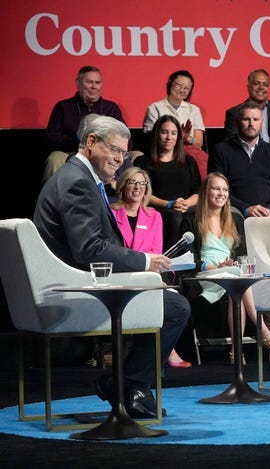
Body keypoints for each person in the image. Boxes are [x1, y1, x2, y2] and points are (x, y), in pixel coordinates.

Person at [33, 115, 191, 418]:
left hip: (75, 283)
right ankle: (128, 386)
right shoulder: (78, 181)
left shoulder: (77, 177)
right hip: (76, 292)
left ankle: (128, 388)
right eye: (115, 151)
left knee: (165, 299)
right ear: (91, 142)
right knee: (175, 308)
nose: (120, 160)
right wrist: (146, 262)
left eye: (124, 154)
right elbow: (89, 249)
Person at [180, 173, 270, 364]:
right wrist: (215, 266)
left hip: (231, 274)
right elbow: (188, 259)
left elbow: (242, 255)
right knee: (237, 279)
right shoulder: (192, 219)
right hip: (204, 276)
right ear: (206, 191)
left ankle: (236, 351)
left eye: (224, 189)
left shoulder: (235, 220)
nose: (221, 193)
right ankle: (264, 331)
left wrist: (235, 264)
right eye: (216, 188)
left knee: (237, 282)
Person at [111, 166, 193, 368]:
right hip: (121, 275)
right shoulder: (111, 213)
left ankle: (158, 352)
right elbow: (114, 250)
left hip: (149, 272)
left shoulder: (154, 216)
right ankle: (158, 355)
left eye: (142, 183)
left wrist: (145, 263)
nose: (137, 187)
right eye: (132, 182)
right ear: (122, 186)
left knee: (177, 303)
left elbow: (156, 250)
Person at [43, 65, 140, 184]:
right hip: (73, 153)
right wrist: (80, 140)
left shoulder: (111, 109)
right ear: (78, 83)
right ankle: (55, 199)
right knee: (55, 158)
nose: (94, 87)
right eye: (89, 82)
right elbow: (52, 141)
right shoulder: (63, 107)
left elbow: (127, 141)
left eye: (97, 82)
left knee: (137, 155)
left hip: (107, 153)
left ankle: (137, 200)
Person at [209, 101, 270, 218]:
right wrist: (245, 208)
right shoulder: (220, 150)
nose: (251, 124)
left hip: (269, 213)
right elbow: (215, 189)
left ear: (262, 123)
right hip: (235, 211)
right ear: (237, 122)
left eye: (256, 119)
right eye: (246, 119)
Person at [134, 115, 202, 252]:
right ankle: (170, 264)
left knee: (194, 216)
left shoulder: (189, 162)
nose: (169, 137)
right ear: (157, 134)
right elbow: (143, 193)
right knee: (175, 217)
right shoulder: (143, 162)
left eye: (173, 133)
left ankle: (196, 263)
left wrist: (186, 203)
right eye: (164, 132)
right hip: (160, 209)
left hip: (185, 207)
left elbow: (199, 192)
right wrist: (170, 204)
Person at [143, 70, 209, 176]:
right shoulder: (154, 108)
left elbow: (199, 142)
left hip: (189, 152)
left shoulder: (194, 110)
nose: (182, 90)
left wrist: (187, 138)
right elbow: (150, 138)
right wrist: (177, 137)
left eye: (187, 88)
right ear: (170, 84)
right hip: (164, 151)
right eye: (179, 85)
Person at [224, 69, 270, 162]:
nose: (261, 87)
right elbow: (232, 140)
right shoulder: (235, 112)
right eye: (256, 83)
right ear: (248, 86)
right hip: (248, 161)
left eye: (265, 84)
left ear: (269, 87)